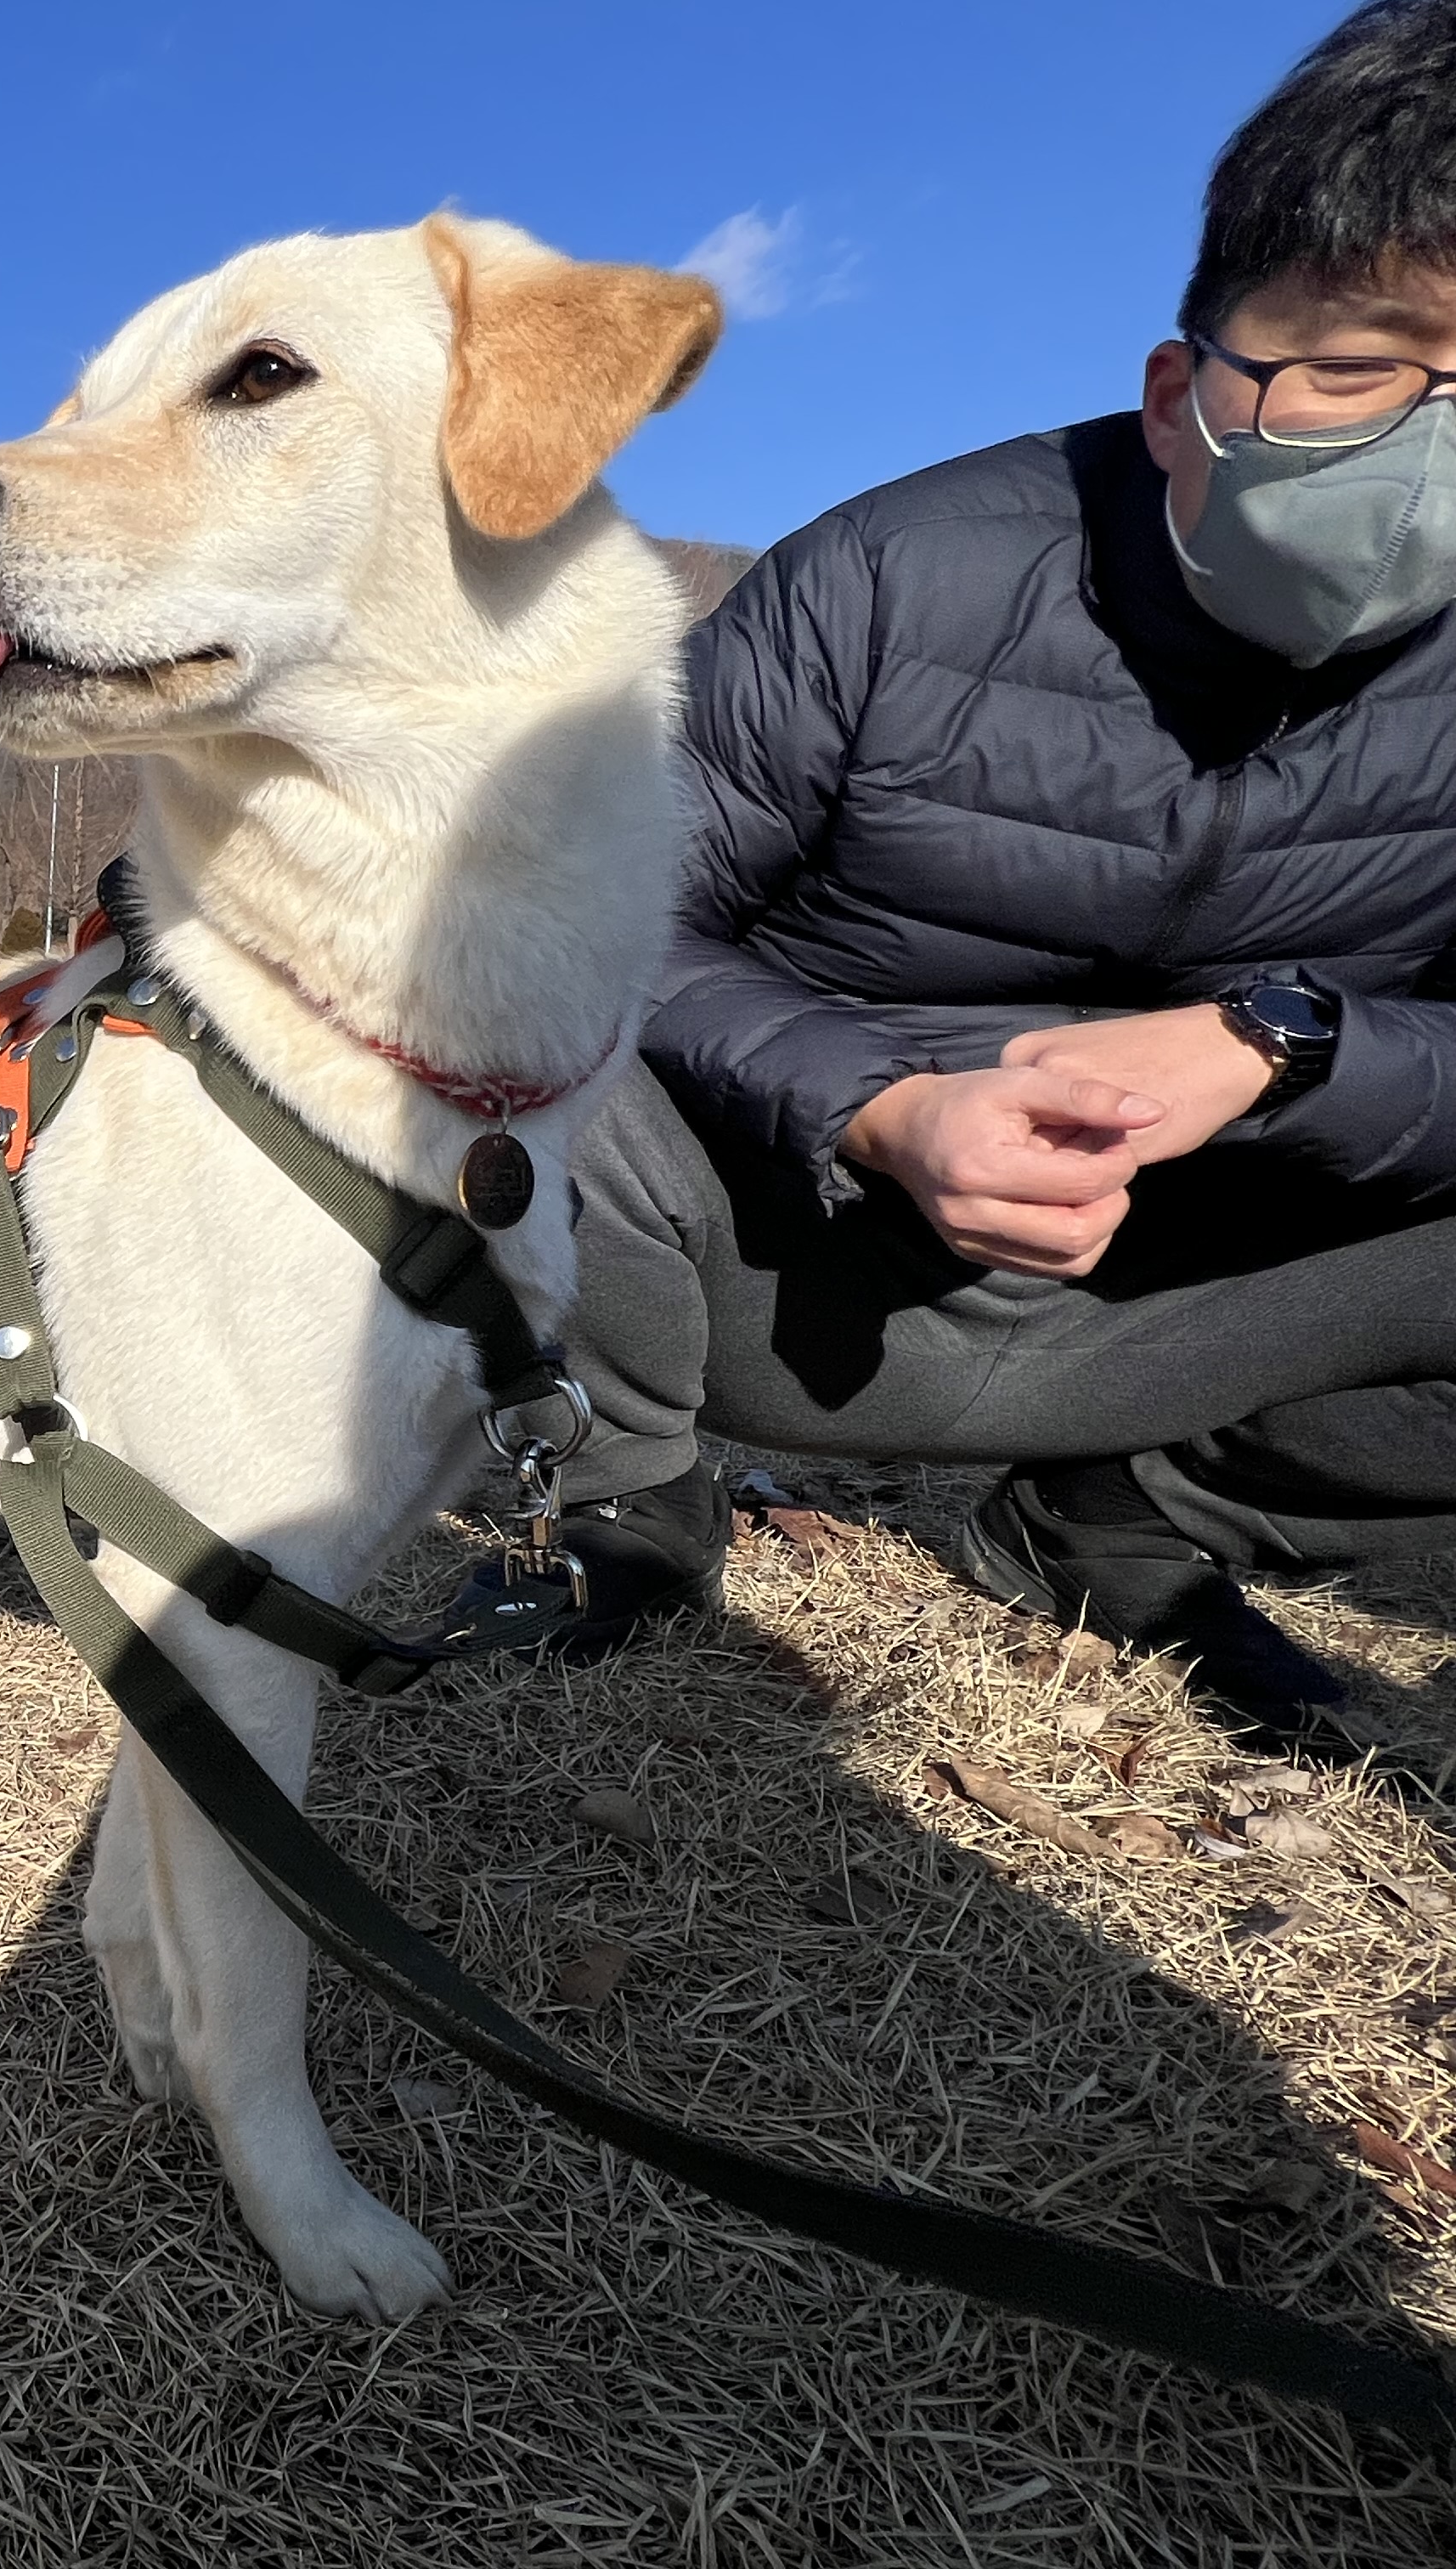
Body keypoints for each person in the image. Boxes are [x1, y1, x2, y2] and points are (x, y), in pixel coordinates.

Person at [533, 0, 1456, 1759]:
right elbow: (599, 907)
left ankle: (1129, 1523)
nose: (1425, 447)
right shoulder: (897, 576)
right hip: (779, 1264)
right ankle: (632, 1492)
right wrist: (878, 1103)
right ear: (1182, 397)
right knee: (507, 1063)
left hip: (1191, 1294)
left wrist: (1296, 1043)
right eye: (1356, 365)